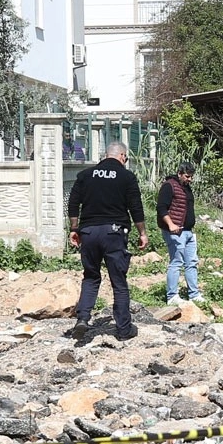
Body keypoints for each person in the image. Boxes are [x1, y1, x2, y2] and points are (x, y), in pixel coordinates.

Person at [66, 141, 148, 341]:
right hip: (114, 233)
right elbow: (135, 207)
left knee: (91, 277)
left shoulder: (85, 175)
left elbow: (73, 202)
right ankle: (123, 329)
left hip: (89, 232)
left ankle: (83, 319)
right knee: (118, 282)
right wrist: (142, 233)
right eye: (126, 158)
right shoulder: (126, 177)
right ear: (121, 156)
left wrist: (74, 228)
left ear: (105, 156)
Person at [157, 161, 203, 305]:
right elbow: (161, 208)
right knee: (176, 262)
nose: (190, 179)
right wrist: (170, 224)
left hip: (188, 232)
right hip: (176, 232)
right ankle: (172, 296)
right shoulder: (169, 186)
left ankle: (194, 294)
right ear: (180, 174)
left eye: (191, 177)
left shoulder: (186, 188)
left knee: (191, 263)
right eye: (187, 176)